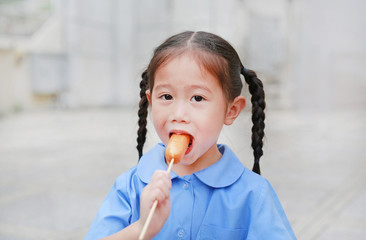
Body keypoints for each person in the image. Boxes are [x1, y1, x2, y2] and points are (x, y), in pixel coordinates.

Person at [85, 31, 296, 240]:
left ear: (231, 110)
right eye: (166, 96)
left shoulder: (252, 194)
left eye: (197, 98)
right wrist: (141, 228)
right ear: (150, 101)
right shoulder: (130, 187)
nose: (178, 115)